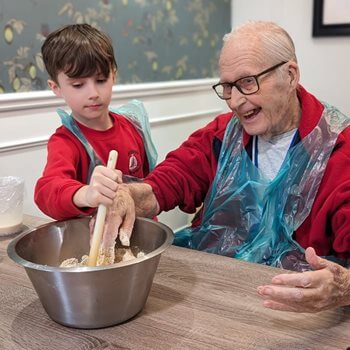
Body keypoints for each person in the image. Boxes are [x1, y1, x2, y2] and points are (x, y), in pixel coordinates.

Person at [106, 21, 350, 312]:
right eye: (227, 86)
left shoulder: (339, 150)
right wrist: (127, 196)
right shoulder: (223, 134)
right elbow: (172, 179)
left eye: (248, 82)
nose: (234, 101)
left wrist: (344, 288)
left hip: (296, 310)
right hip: (217, 293)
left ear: (290, 75)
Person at [34, 24, 157, 246]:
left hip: (139, 238)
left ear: (114, 76)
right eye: (78, 84)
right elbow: (47, 190)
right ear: (56, 88)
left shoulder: (133, 126)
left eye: (101, 80)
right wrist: (86, 194)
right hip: (92, 245)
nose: (93, 93)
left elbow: (149, 185)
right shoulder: (65, 141)